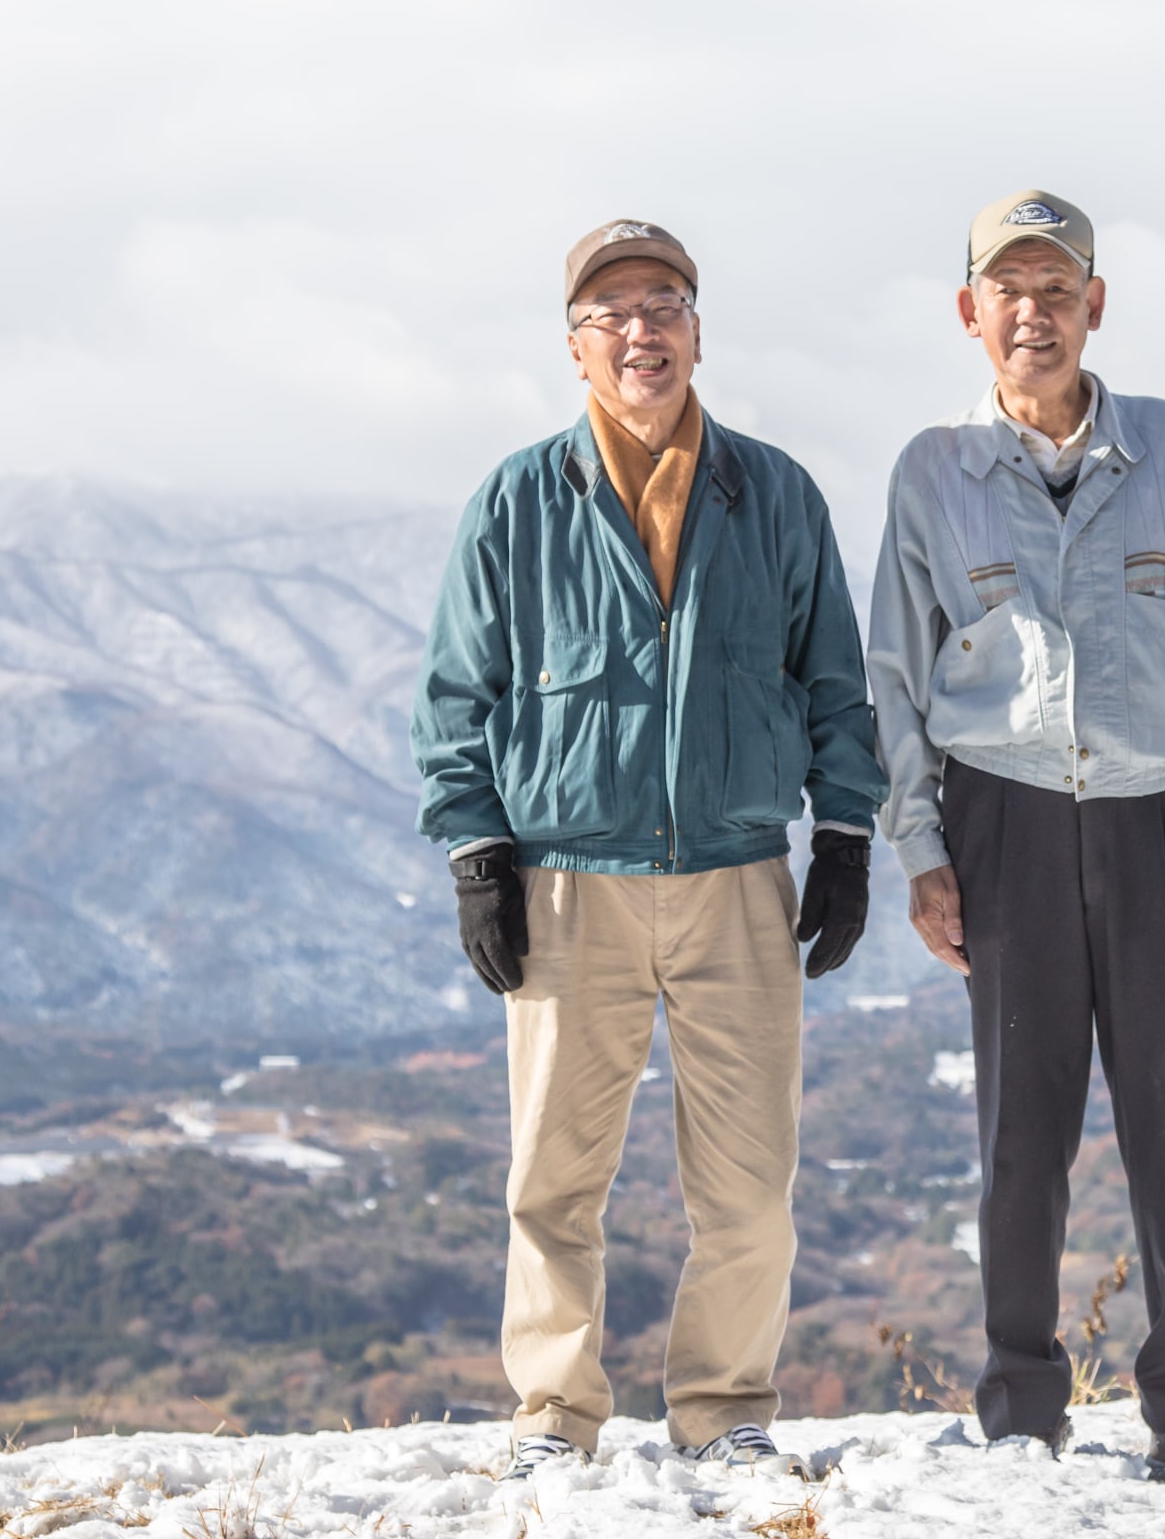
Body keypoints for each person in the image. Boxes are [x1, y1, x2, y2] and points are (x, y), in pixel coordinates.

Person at [410, 218, 888, 1486]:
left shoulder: (774, 492)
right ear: (575, 345)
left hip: (738, 879)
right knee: (553, 1178)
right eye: (612, 311)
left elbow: (835, 681)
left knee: (748, 1180)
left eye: (663, 303)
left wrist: (843, 834)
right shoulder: (518, 501)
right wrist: (477, 851)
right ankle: (556, 1413)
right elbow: (458, 695)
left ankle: (726, 1406)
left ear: (696, 328)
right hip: (570, 882)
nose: (641, 329)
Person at [865, 189, 1165, 1484]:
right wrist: (921, 848)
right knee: (1021, 1136)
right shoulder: (934, 472)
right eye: (1010, 291)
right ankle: (1020, 1411)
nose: (1033, 314)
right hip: (1007, 824)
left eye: (1058, 291)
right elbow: (896, 668)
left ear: (1096, 307)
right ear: (969, 312)